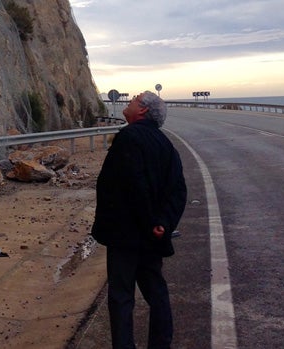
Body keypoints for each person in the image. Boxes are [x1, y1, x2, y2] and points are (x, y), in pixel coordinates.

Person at [92, 91, 187, 348]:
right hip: (152, 235)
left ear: (143, 110)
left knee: (121, 297)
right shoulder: (165, 145)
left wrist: (149, 223)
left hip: (126, 236)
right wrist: (163, 224)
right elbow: (178, 190)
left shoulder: (128, 138)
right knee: (157, 293)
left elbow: (133, 185)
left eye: (134, 99)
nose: (129, 101)